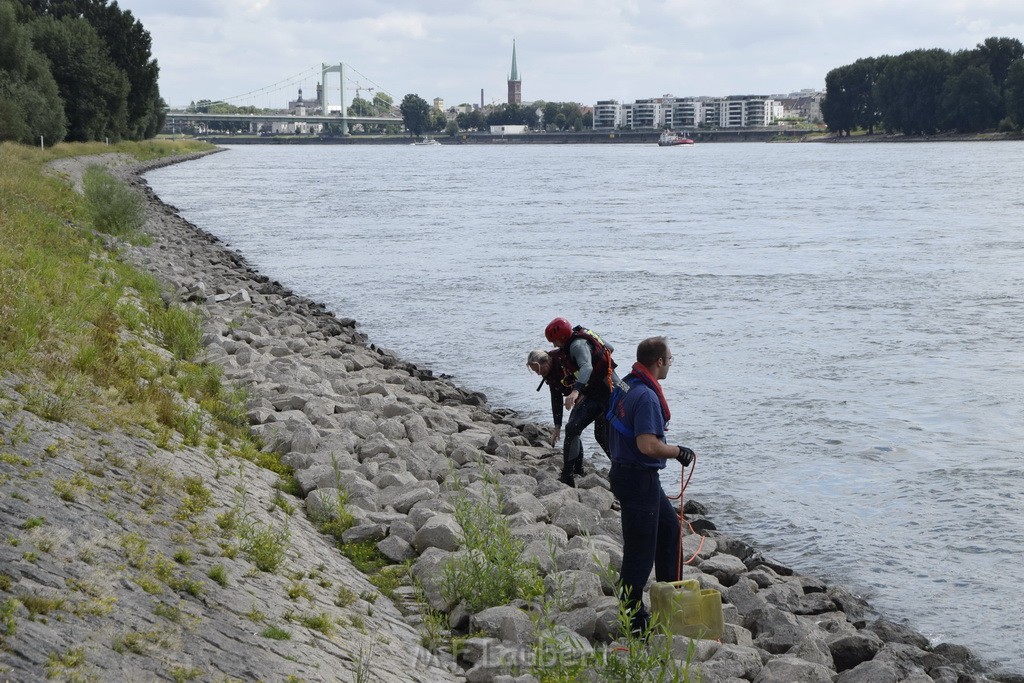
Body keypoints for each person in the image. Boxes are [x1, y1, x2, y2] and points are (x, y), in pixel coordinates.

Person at [606, 336, 696, 636]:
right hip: (637, 479)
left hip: (629, 474)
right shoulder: (645, 396)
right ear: (659, 361)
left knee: (670, 532)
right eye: (670, 359)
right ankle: (633, 622)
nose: (670, 363)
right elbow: (648, 445)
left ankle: (671, 604)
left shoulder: (626, 385)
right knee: (639, 554)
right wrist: (678, 451)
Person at [543, 317, 619, 487]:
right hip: (597, 391)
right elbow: (611, 348)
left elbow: (587, 367)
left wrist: (576, 391)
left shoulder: (577, 345)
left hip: (607, 393)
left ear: (561, 337)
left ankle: (621, 470)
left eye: (554, 341)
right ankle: (568, 475)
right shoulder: (584, 335)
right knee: (575, 429)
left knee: (601, 435)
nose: (554, 345)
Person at [526, 348, 570, 447]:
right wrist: (557, 426)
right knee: (573, 429)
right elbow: (556, 399)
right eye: (535, 371)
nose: (538, 374)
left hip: (591, 393)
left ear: (546, 361)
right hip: (579, 396)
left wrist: (576, 394)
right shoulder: (550, 375)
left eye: (538, 370)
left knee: (573, 429)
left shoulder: (563, 364)